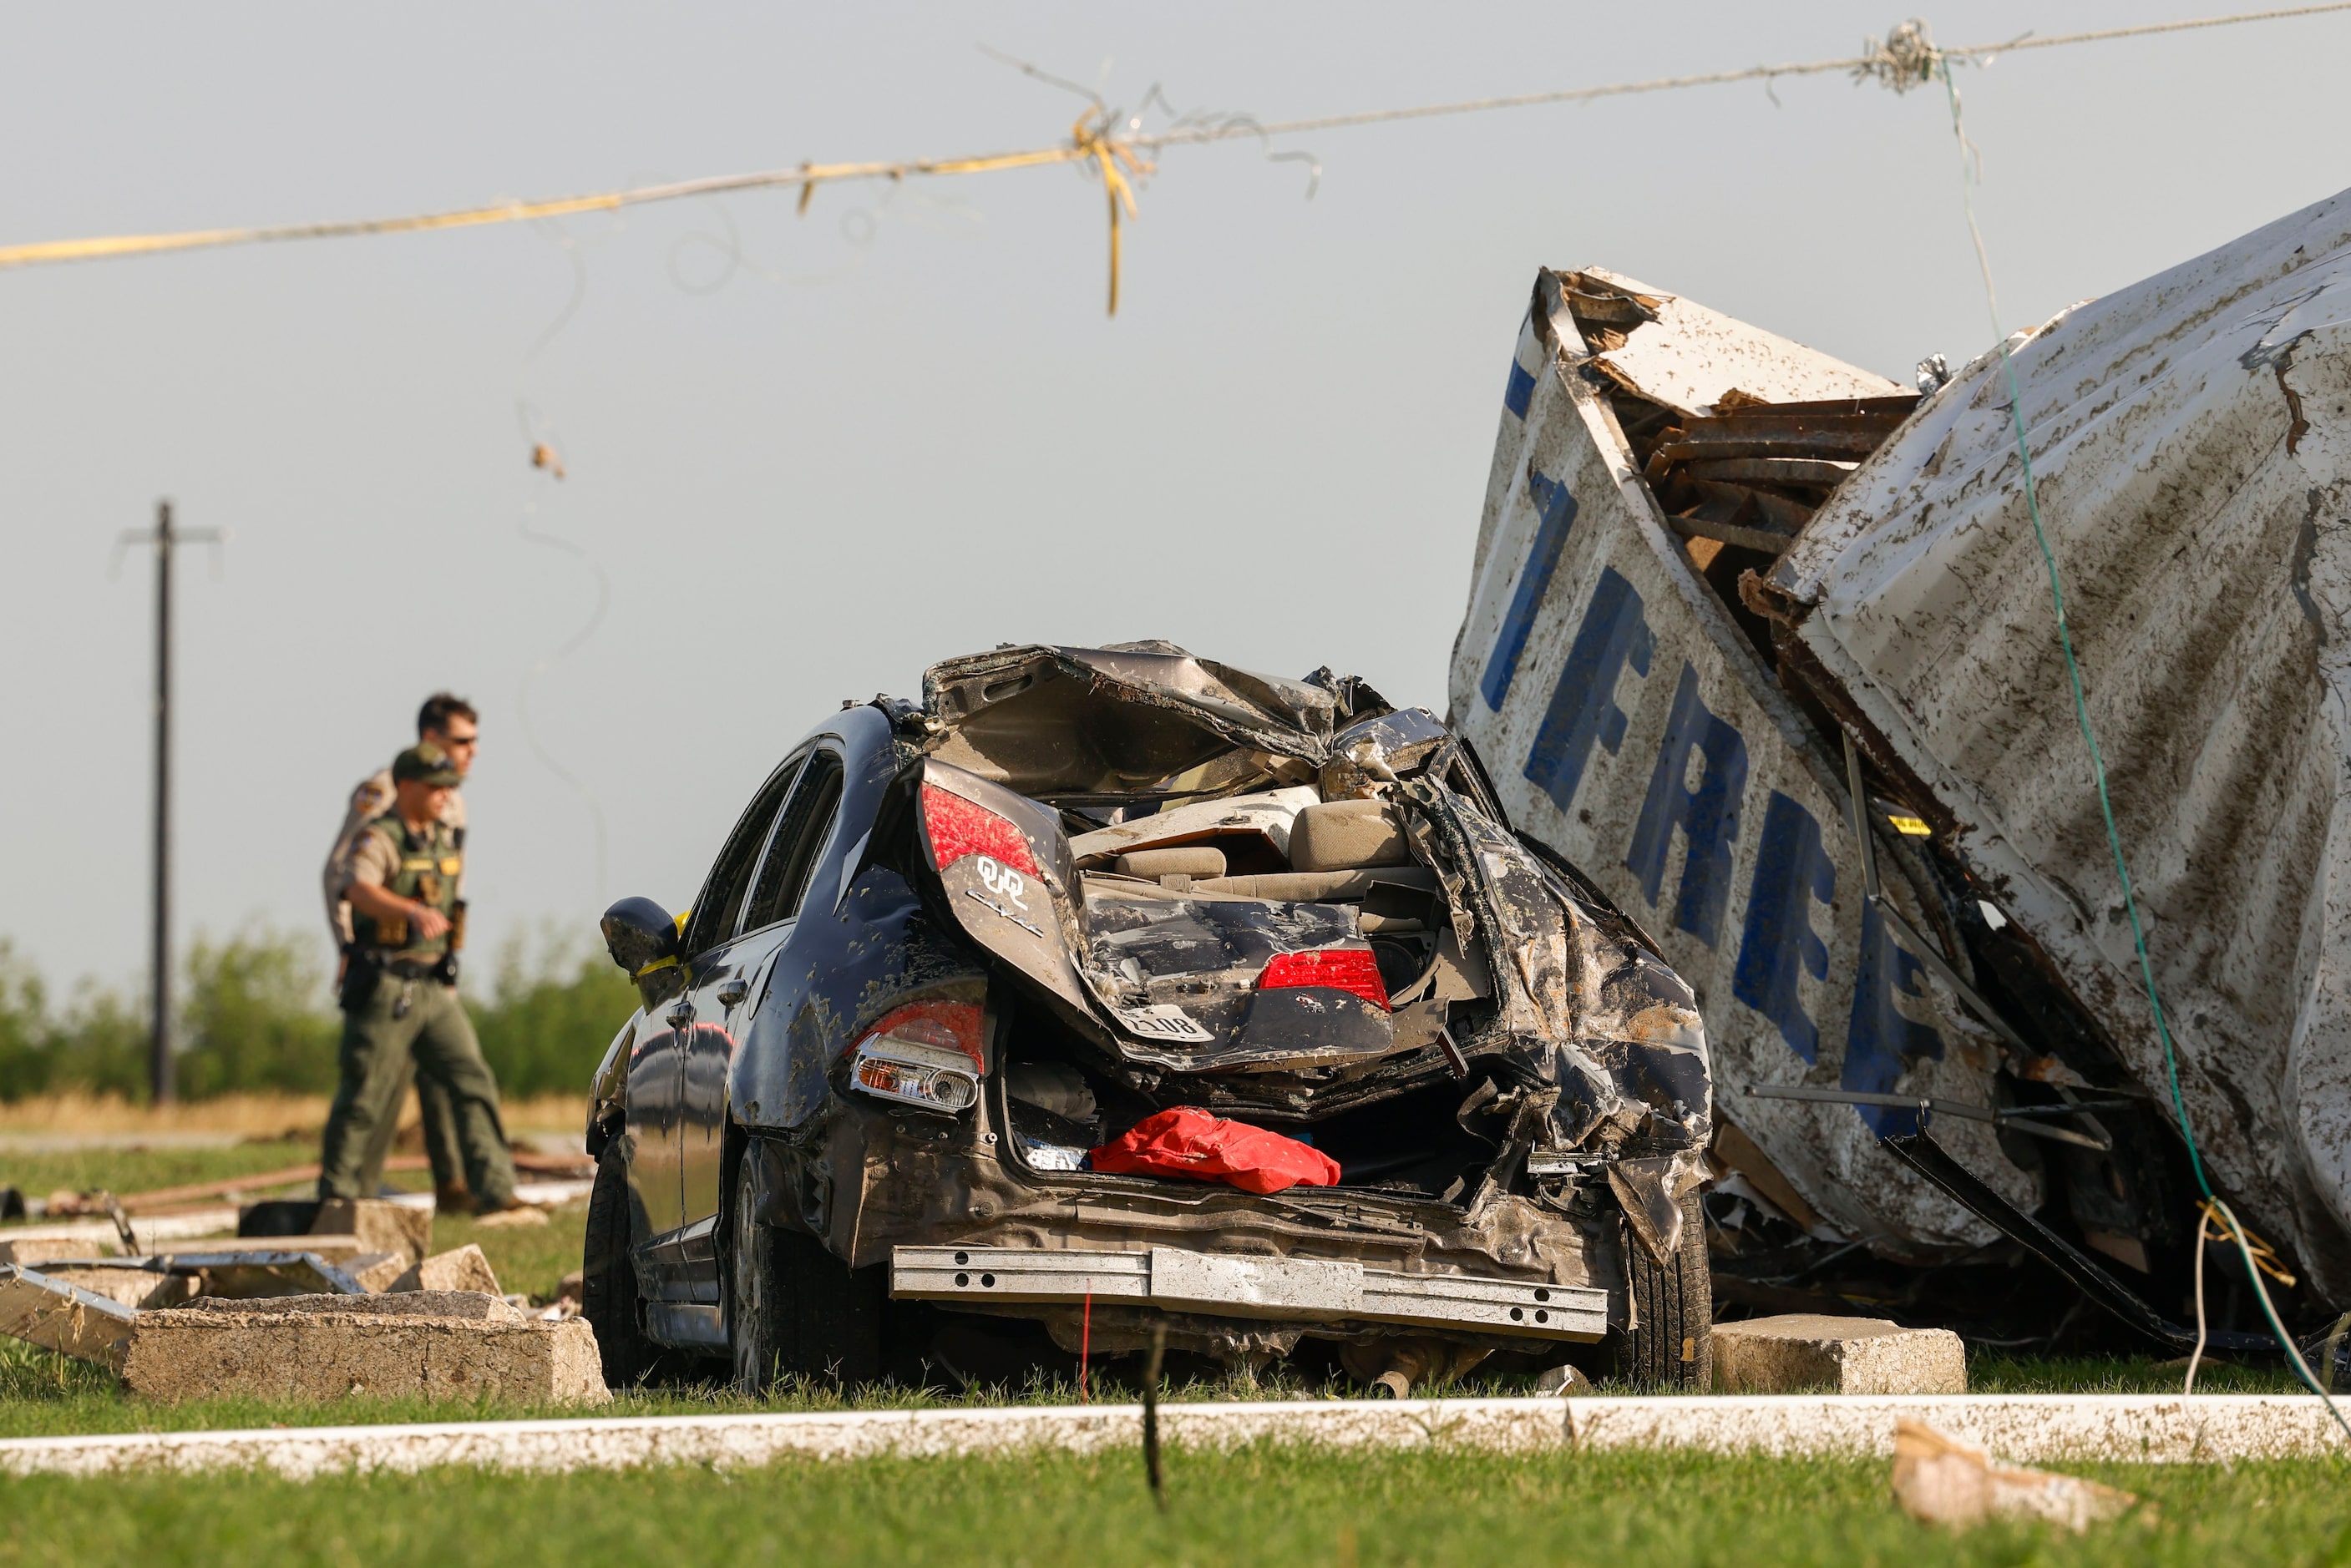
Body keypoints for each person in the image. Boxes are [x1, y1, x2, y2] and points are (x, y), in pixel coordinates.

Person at [319, 743, 519, 1211]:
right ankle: (338, 1201)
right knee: (366, 1094)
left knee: (471, 1080)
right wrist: (409, 911)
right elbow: (356, 888)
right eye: (435, 788)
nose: (444, 797)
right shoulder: (380, 837)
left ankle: (495, 1191)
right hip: (388, 985)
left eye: (449, 788)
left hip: (433, 987)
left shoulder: (442, 839)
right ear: (406, 786)